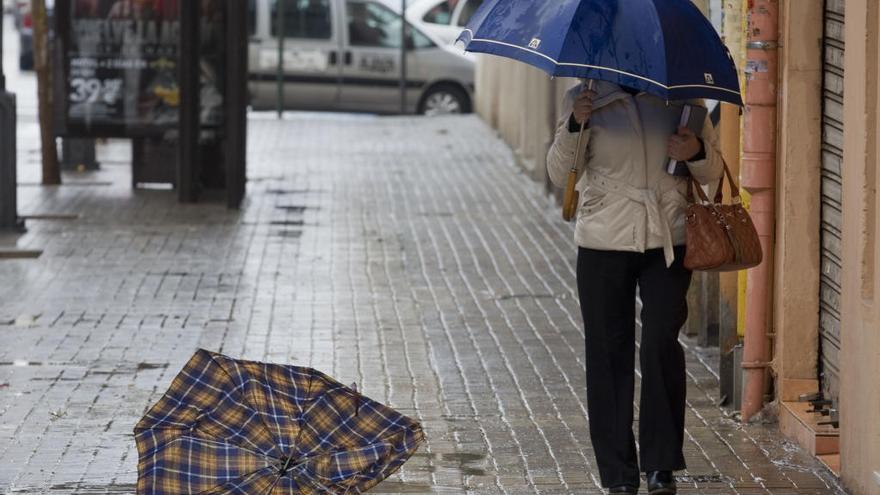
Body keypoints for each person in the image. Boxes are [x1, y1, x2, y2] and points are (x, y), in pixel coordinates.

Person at [546, 80, 723, 495]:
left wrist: (694, 151)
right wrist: (576, 123)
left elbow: (713, 170)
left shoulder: (683, 96)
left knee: (662, 340)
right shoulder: (583, 96)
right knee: (608, 352)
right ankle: (618, 473)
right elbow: (559, 173)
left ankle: (661, 465)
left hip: (668, 238)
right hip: (603, 240)